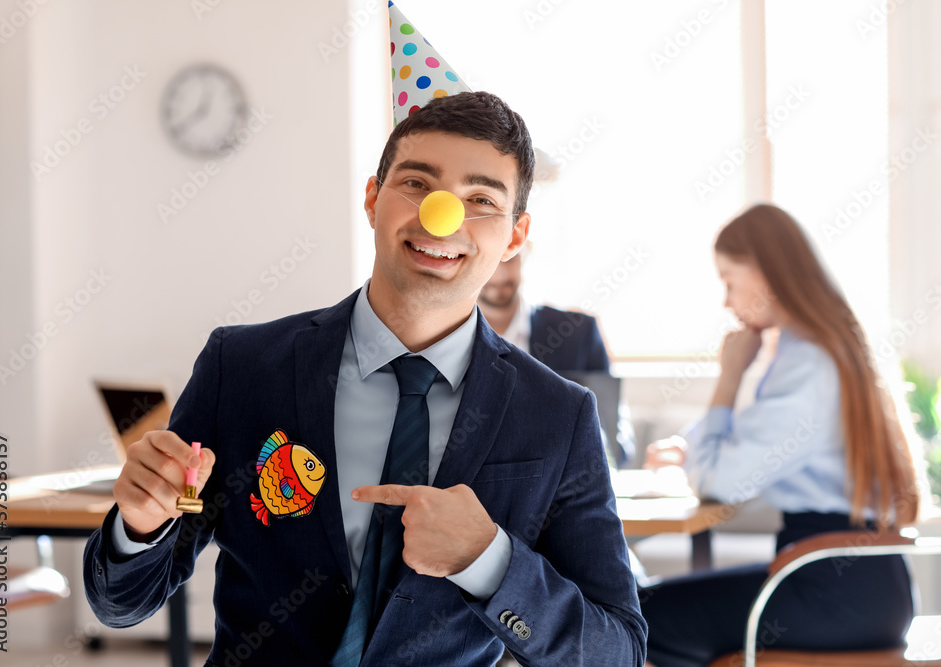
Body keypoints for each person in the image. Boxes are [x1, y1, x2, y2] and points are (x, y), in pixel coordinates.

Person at [83, 92, 647, 666]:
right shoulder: (243, 366)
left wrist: (489, 560)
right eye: (418, 184)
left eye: (480, 199)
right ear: (374, 199)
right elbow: (120, 604)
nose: (441, 216)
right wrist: (139, 527)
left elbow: (616, 651)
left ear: (515, 235)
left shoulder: (557, 413)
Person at [638, 204, 921, 667]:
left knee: (635, 615)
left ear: (766, 272)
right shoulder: (816, 349)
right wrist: (693, 448)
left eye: (729, 281)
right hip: (854, 585)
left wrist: (729, 376)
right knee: (649, 611)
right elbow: (758, 437)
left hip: (833, 588)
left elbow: (720, 482)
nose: (726, 302)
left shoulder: (807, 362)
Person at [479, 250, 637, 467]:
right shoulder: (443, 337)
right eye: (490, 261)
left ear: (525, 254)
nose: (499, 275)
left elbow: (616, 438)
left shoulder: (579, 333)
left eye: (509, 259)